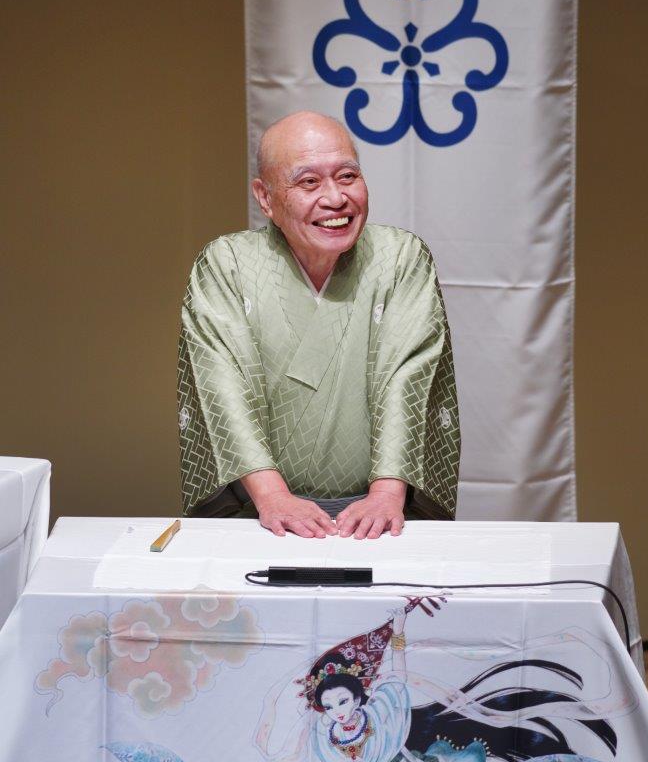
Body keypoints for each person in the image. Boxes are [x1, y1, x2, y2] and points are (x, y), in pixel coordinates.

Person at [177, 111, 460, 537]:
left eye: (348, 176)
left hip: (377, 516)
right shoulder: (227, 264)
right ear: (265, 197)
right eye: (309, 182)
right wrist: (272, 497)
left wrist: (387, 494)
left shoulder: (400, 257)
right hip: (259, 514)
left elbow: (408, 376)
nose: (335, 198)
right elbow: (220, 384)